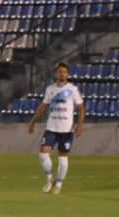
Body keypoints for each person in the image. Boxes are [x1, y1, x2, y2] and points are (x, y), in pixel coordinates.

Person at [26, 62, 85, 194]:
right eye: (60, 71)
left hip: (66, 129)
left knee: (63, 158)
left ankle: (58, 184)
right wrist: (33, 122)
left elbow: (81, 108)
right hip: (52, 127)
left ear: (68, 74)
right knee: (43, 153)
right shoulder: (50, 89)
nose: (62, 74)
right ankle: (49, 178)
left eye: (64, 72)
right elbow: (44, 106)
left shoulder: (73, 90)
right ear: (56, 73)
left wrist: (80, 125)